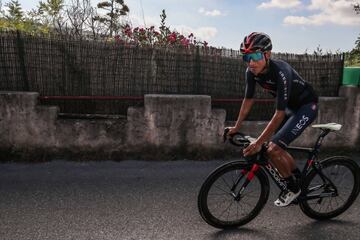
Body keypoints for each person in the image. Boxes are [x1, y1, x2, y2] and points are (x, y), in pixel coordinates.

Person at [227, 32, 318, 207]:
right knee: (275, 147)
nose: (251, 62)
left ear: (267, 55)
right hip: (290, 109)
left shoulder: (281, 72)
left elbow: (279, 114)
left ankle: (293, 188)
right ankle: (299, 179)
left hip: (306, 106)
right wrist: (236, 127)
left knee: (272, 148)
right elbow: (248, 100)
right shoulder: (251, 72)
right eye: (246, 57)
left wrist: (258, 142)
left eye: (255, 56)